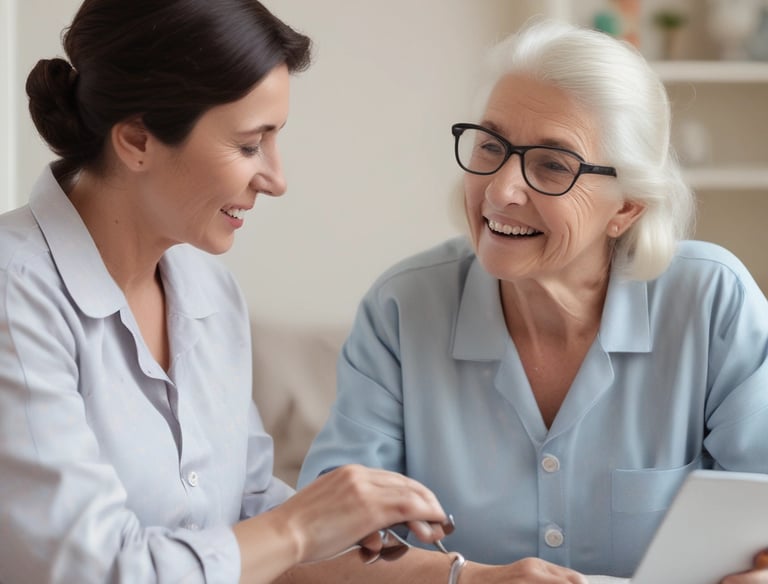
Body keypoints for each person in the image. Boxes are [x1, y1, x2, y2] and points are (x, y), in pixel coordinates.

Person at [0, 1, 459, 583]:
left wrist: (469, 577)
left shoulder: (208, 288)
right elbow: (94, 570)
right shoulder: (15, 296)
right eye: (249, 145)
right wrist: (298, 526)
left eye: (275, 139)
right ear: (137, 139)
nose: (276, 178)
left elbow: (247, 522)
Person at [298, 18, 768, 583]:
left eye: (552, 164)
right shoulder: (403, 308)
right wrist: (471, 580)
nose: (499, 190)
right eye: (492, 146)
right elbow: (317, 546)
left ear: (628, 207)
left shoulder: (710, 301)